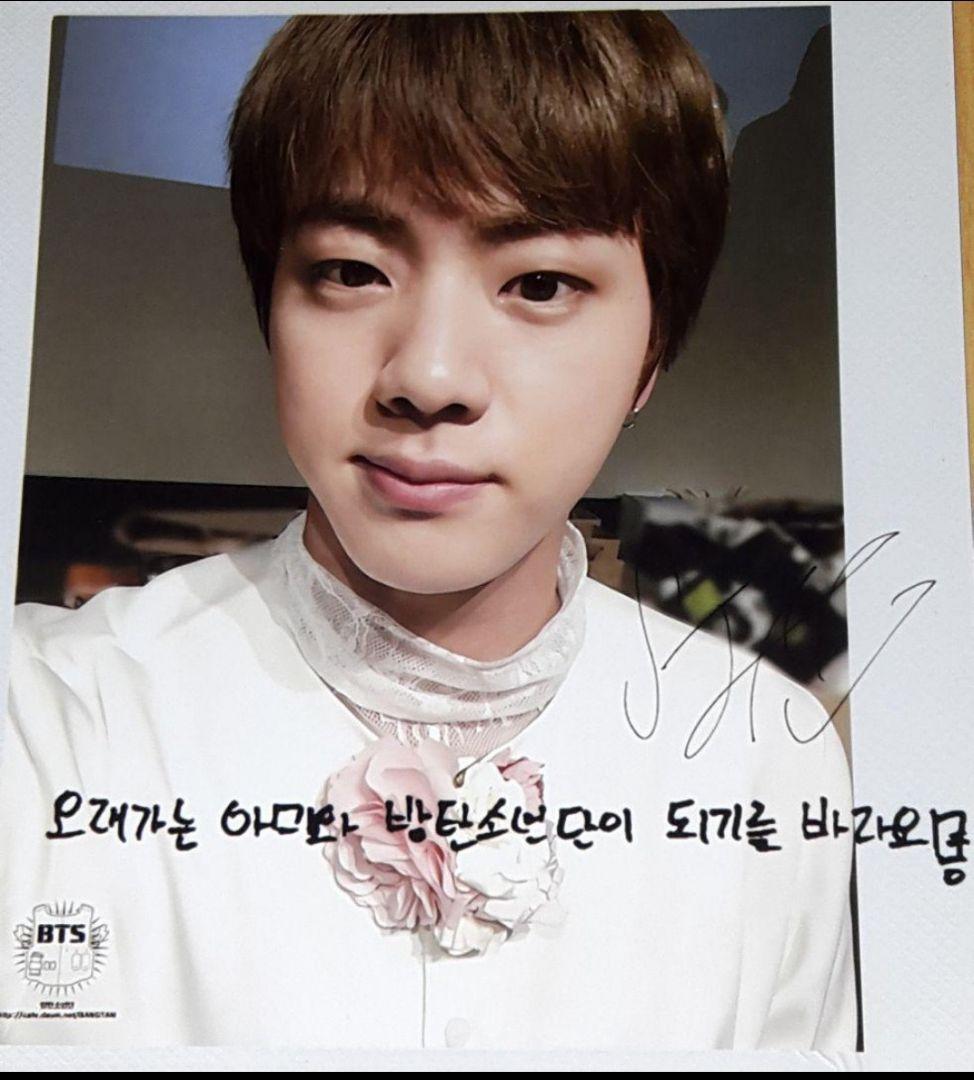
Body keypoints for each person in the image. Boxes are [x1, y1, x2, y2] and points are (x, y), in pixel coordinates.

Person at [0, 11, 856, 1050]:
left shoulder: (766, 761)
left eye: (540, 284)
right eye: (352, 270)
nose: (429, 376)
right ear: (271, 306)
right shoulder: (50, 720)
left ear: (651, 352)